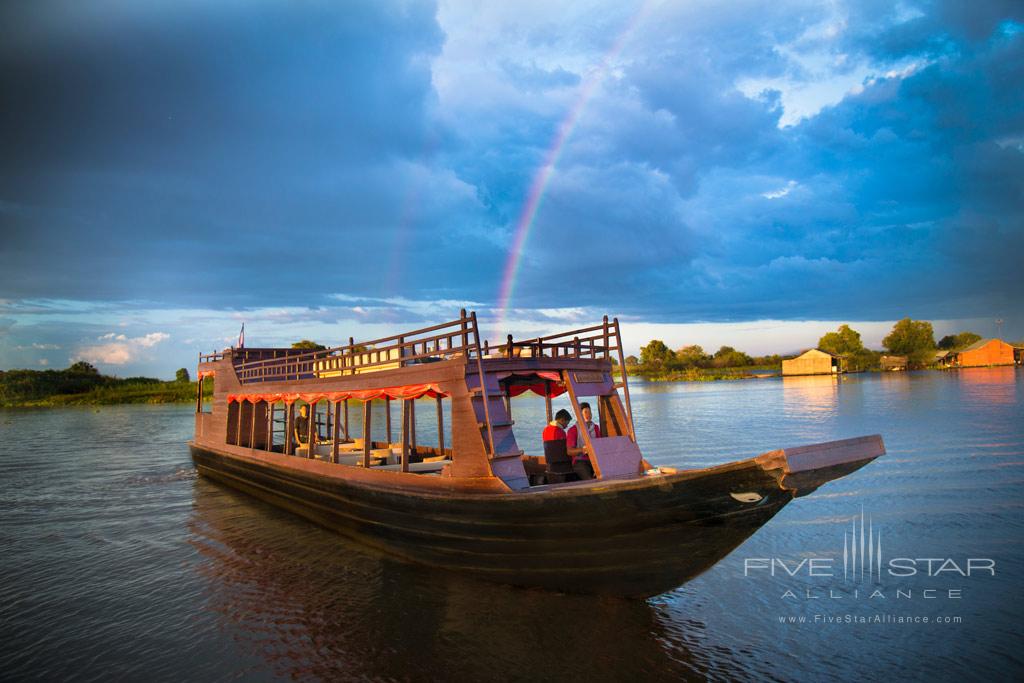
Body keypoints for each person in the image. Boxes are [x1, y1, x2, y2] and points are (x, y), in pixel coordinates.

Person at [566, 402, 601, 480]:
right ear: (579, 415)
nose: (588, 414)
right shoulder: (573, 430)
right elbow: (569, 451)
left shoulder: (596, 427)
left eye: (590, 412)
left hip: (595, 460)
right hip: (580, 461)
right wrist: (584, 450)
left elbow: (600, 445)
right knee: (589, 479)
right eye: (585, 412)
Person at [541, 409, 574, 483]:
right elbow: (564, 449)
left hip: (550, 465)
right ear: (562, 420)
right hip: (561, 465)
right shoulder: (560, 431)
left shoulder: (545, 429)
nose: (567, 425)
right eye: (567, 423)